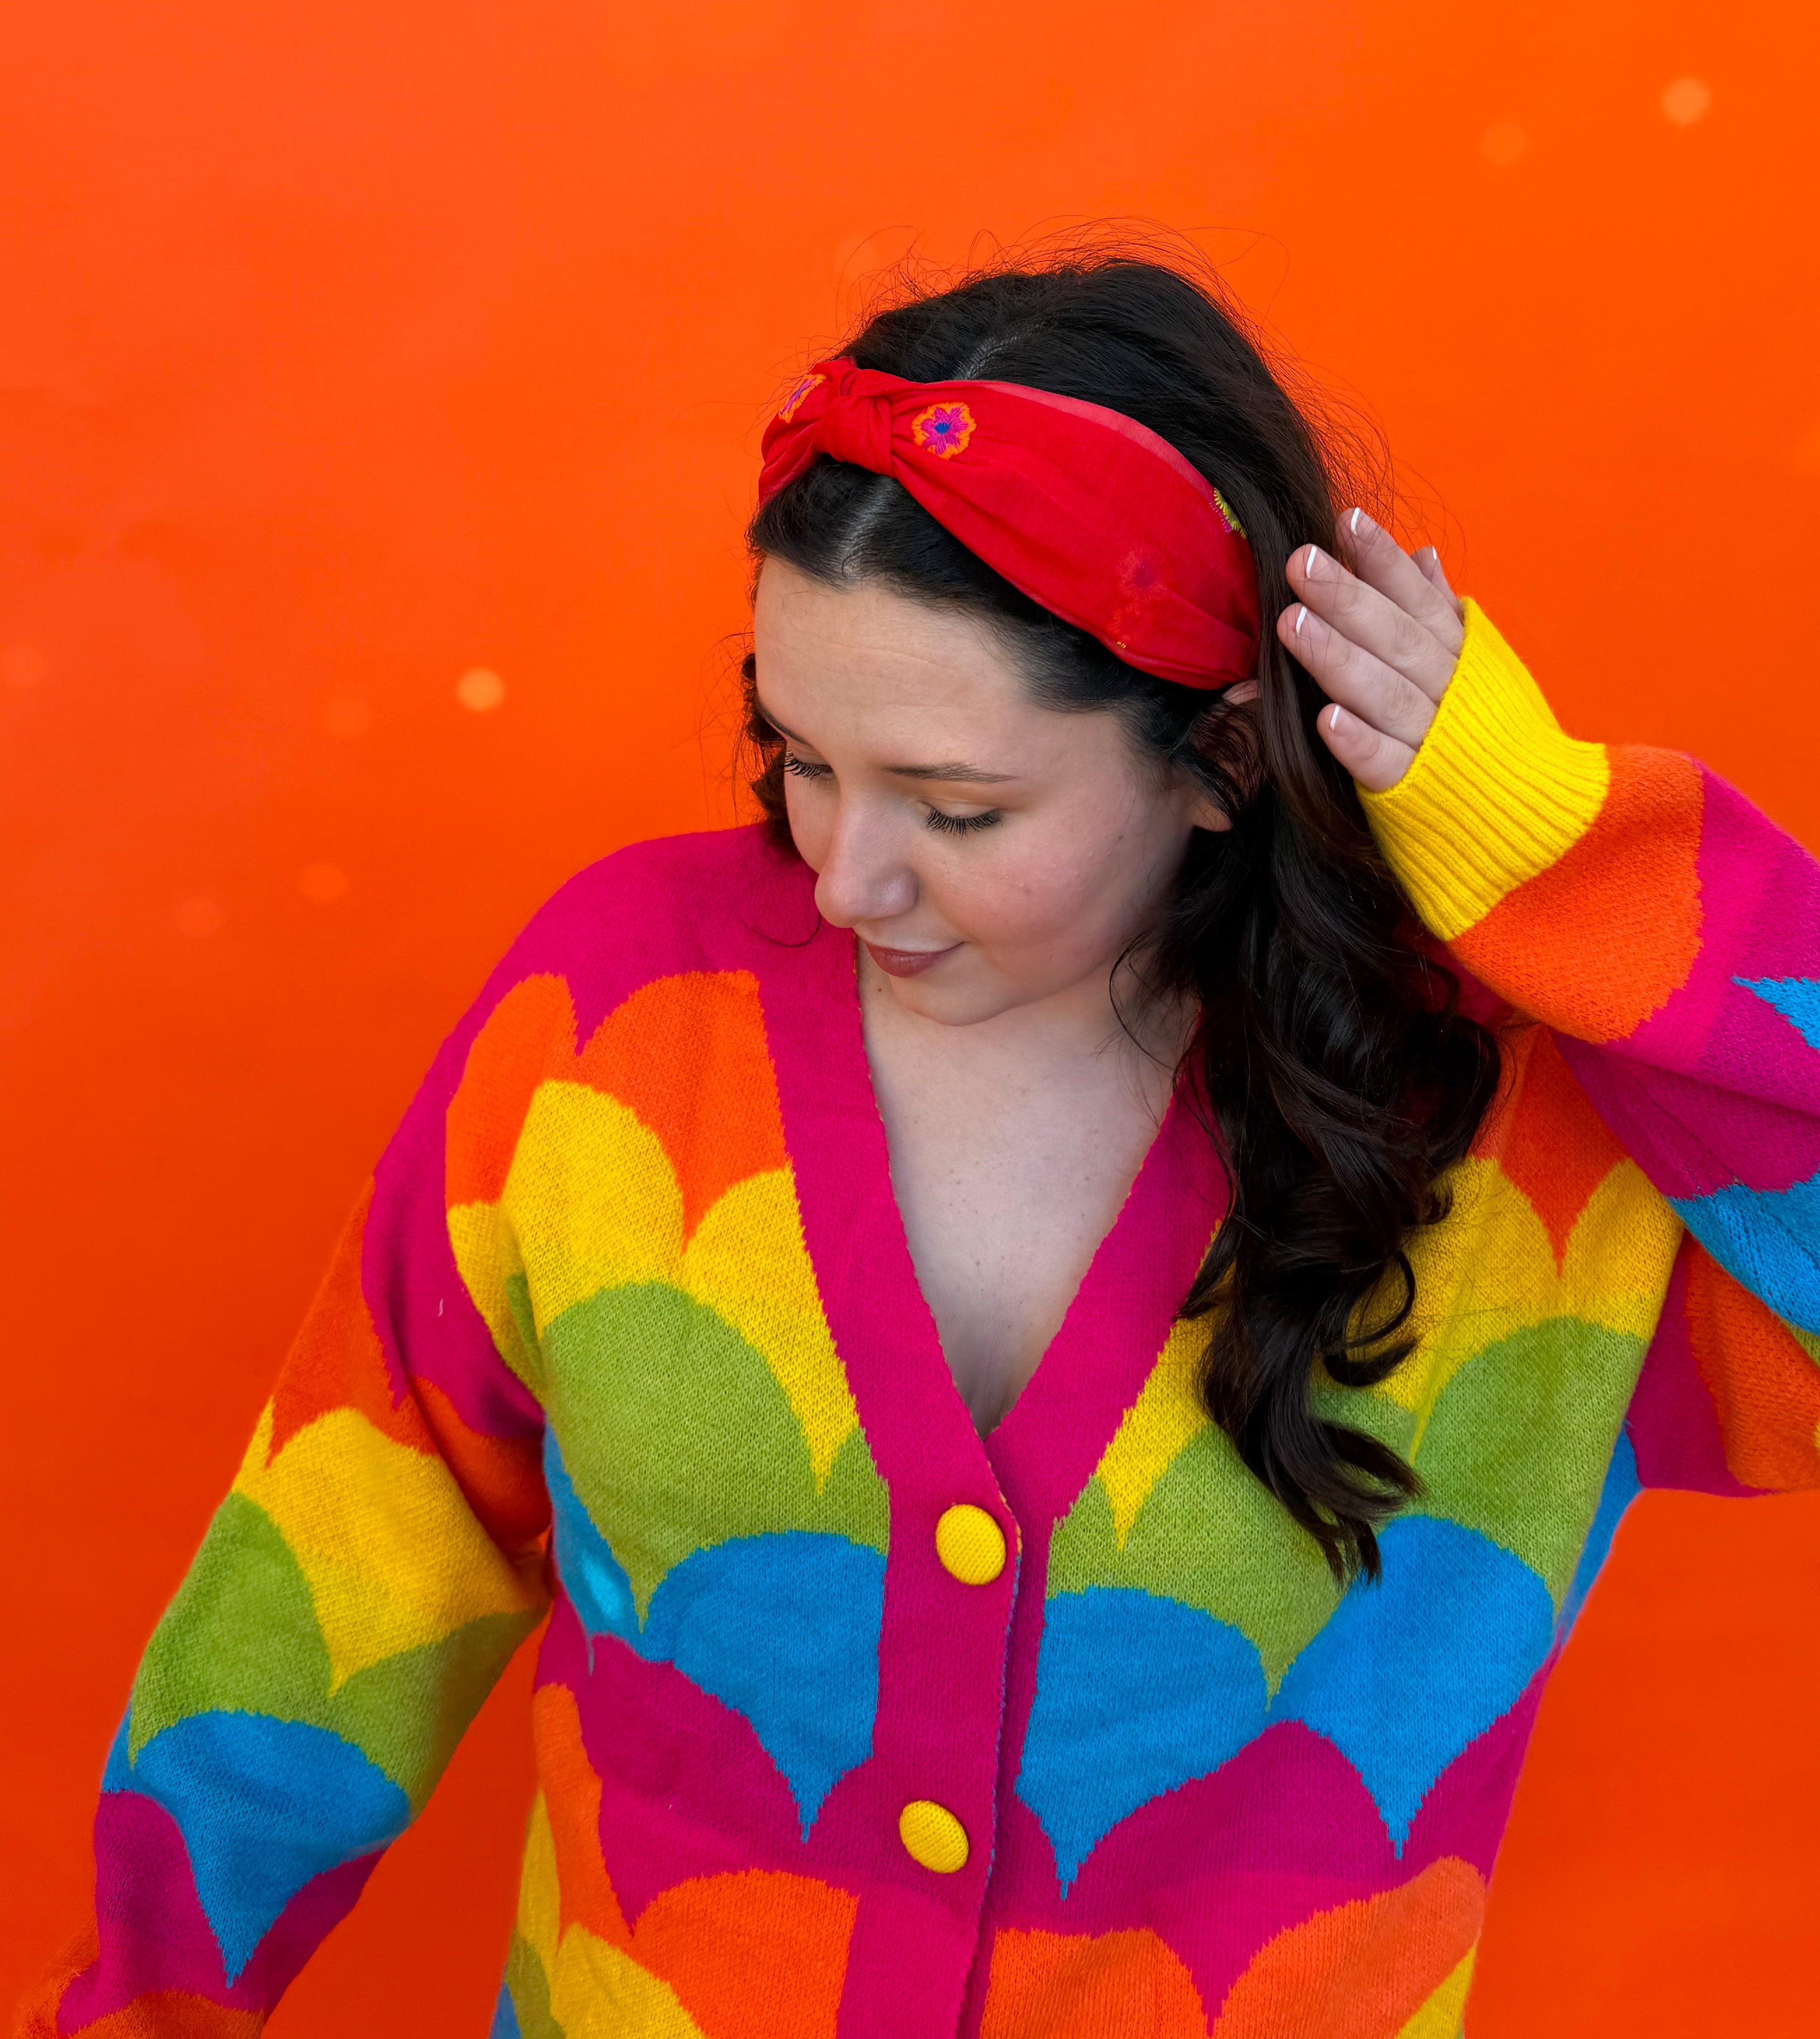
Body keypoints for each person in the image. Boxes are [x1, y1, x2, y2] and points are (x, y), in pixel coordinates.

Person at [20, 251, 1820, 2039]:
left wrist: (1546, 851)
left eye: (958, 805)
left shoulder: (1516, 1126)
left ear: (1221, 760)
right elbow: (335, 1551)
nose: (842, 873)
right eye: (798, 754)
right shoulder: (616, 1017)